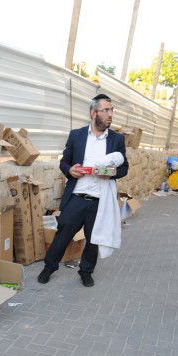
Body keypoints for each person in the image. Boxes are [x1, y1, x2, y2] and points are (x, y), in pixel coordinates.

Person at [39, 94, 129, 287]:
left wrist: (111, 173)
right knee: (62, 234)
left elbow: (124, 168)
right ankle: (49, 268)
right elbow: (64, 162)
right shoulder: (76, 135)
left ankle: (86, 272)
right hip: (77, 197)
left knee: (93, 239)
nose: (110, 114)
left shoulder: (116, 139)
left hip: (100, 200)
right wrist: (70, 170)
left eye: (112, 110)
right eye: (106, 110)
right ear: (93, 112)